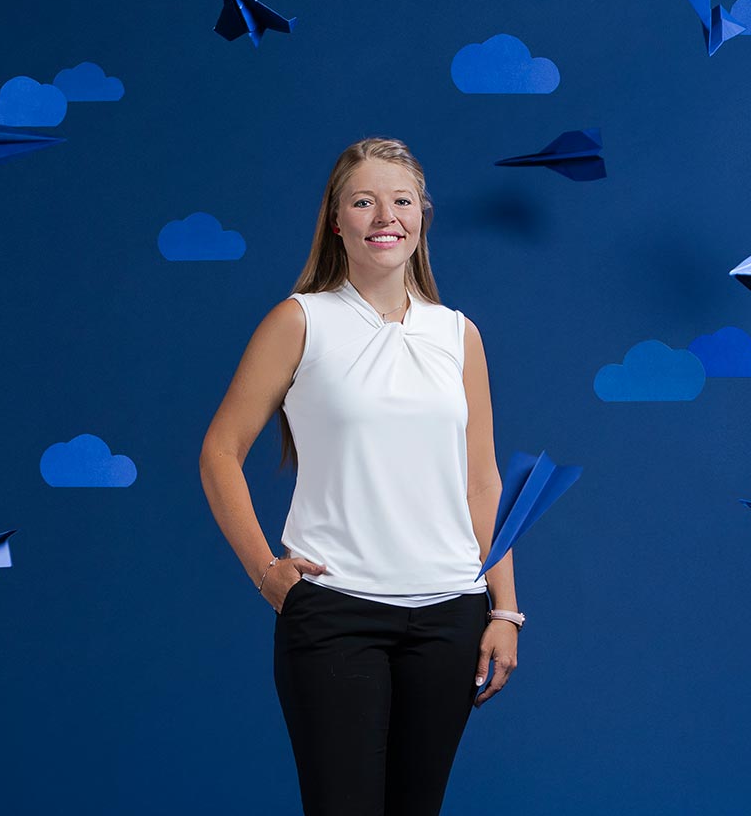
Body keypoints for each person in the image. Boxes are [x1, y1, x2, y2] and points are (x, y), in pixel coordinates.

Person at [198, 137, 522, 816]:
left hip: (451, 615)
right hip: (335, 613)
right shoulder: (300, 321)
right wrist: (265, 569)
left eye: (402, 200)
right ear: (336, 218)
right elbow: (221, 450)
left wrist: (504, 609)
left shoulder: (458, 334)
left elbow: (483, 480)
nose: (385, 216)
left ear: (422, 217)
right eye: (364, 200)